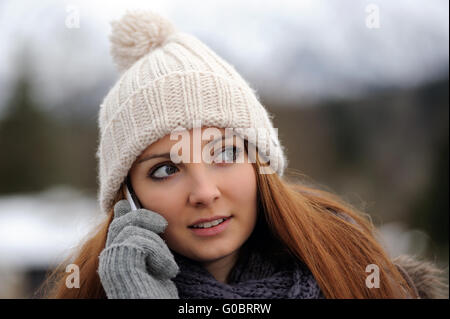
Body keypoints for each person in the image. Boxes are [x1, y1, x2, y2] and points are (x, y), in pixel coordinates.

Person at [39, 10, 447, 299]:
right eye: (165, 169)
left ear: (260, 162)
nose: (204, 191)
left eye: (225, 153)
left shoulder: (367, 280)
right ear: (127, 198)